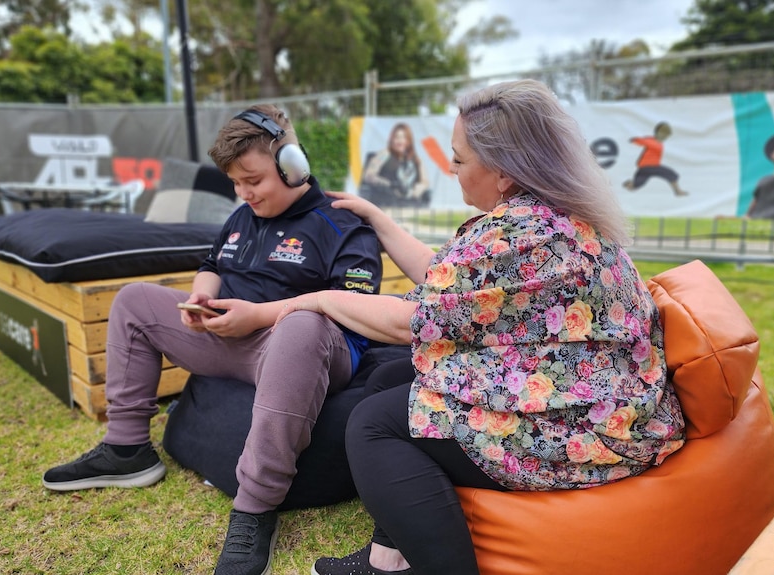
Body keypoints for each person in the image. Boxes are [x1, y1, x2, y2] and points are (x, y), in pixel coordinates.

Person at [274, 79, 687, 575]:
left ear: (505, 172)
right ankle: (389, 558)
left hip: (591, 431)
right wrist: (375, 219)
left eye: (460, 158)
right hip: (606, 401)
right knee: (391, 382)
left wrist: (315, 298)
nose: (452, 169)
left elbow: (413, 321)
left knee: (373, 425)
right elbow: (452, 285)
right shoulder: (555, 215)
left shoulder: (515, 236)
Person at [41, 104, 383, 575]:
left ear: (292, 164)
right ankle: (126, 449)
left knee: (303, 322)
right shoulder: (242, 216)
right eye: (235, 183)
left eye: (253, 180)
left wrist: (260, 317)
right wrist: (202, 299)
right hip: (231, 337)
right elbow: (212, 265)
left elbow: (355, 308)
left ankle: (256, 507)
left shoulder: (343, 225)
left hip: (305, 349)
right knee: (135, 299)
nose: (244, 193)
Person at [360, 122, 431, 207]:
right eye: (397, 137)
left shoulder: (416, 159)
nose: (400, 141)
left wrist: (416, 190)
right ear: (392, 139)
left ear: (409, 140)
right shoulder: (384, 154)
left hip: (409, 202)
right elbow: (369, 175)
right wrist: (389, 184)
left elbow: (425, 181)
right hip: (387, 201)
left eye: (404, 137)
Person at [622, 121, 688, 197]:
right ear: (659, 133)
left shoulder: (655, 141)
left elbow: (644, 140)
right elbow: (643, 141)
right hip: (650, 167)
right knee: (671, 174)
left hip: (645, 168)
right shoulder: (653, 142)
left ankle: (628, 184)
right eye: (665, 136)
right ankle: (678, 192)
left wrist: (635, 140)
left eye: (666, 136)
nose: (665, 138)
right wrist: (634, 140)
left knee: (636, 185)